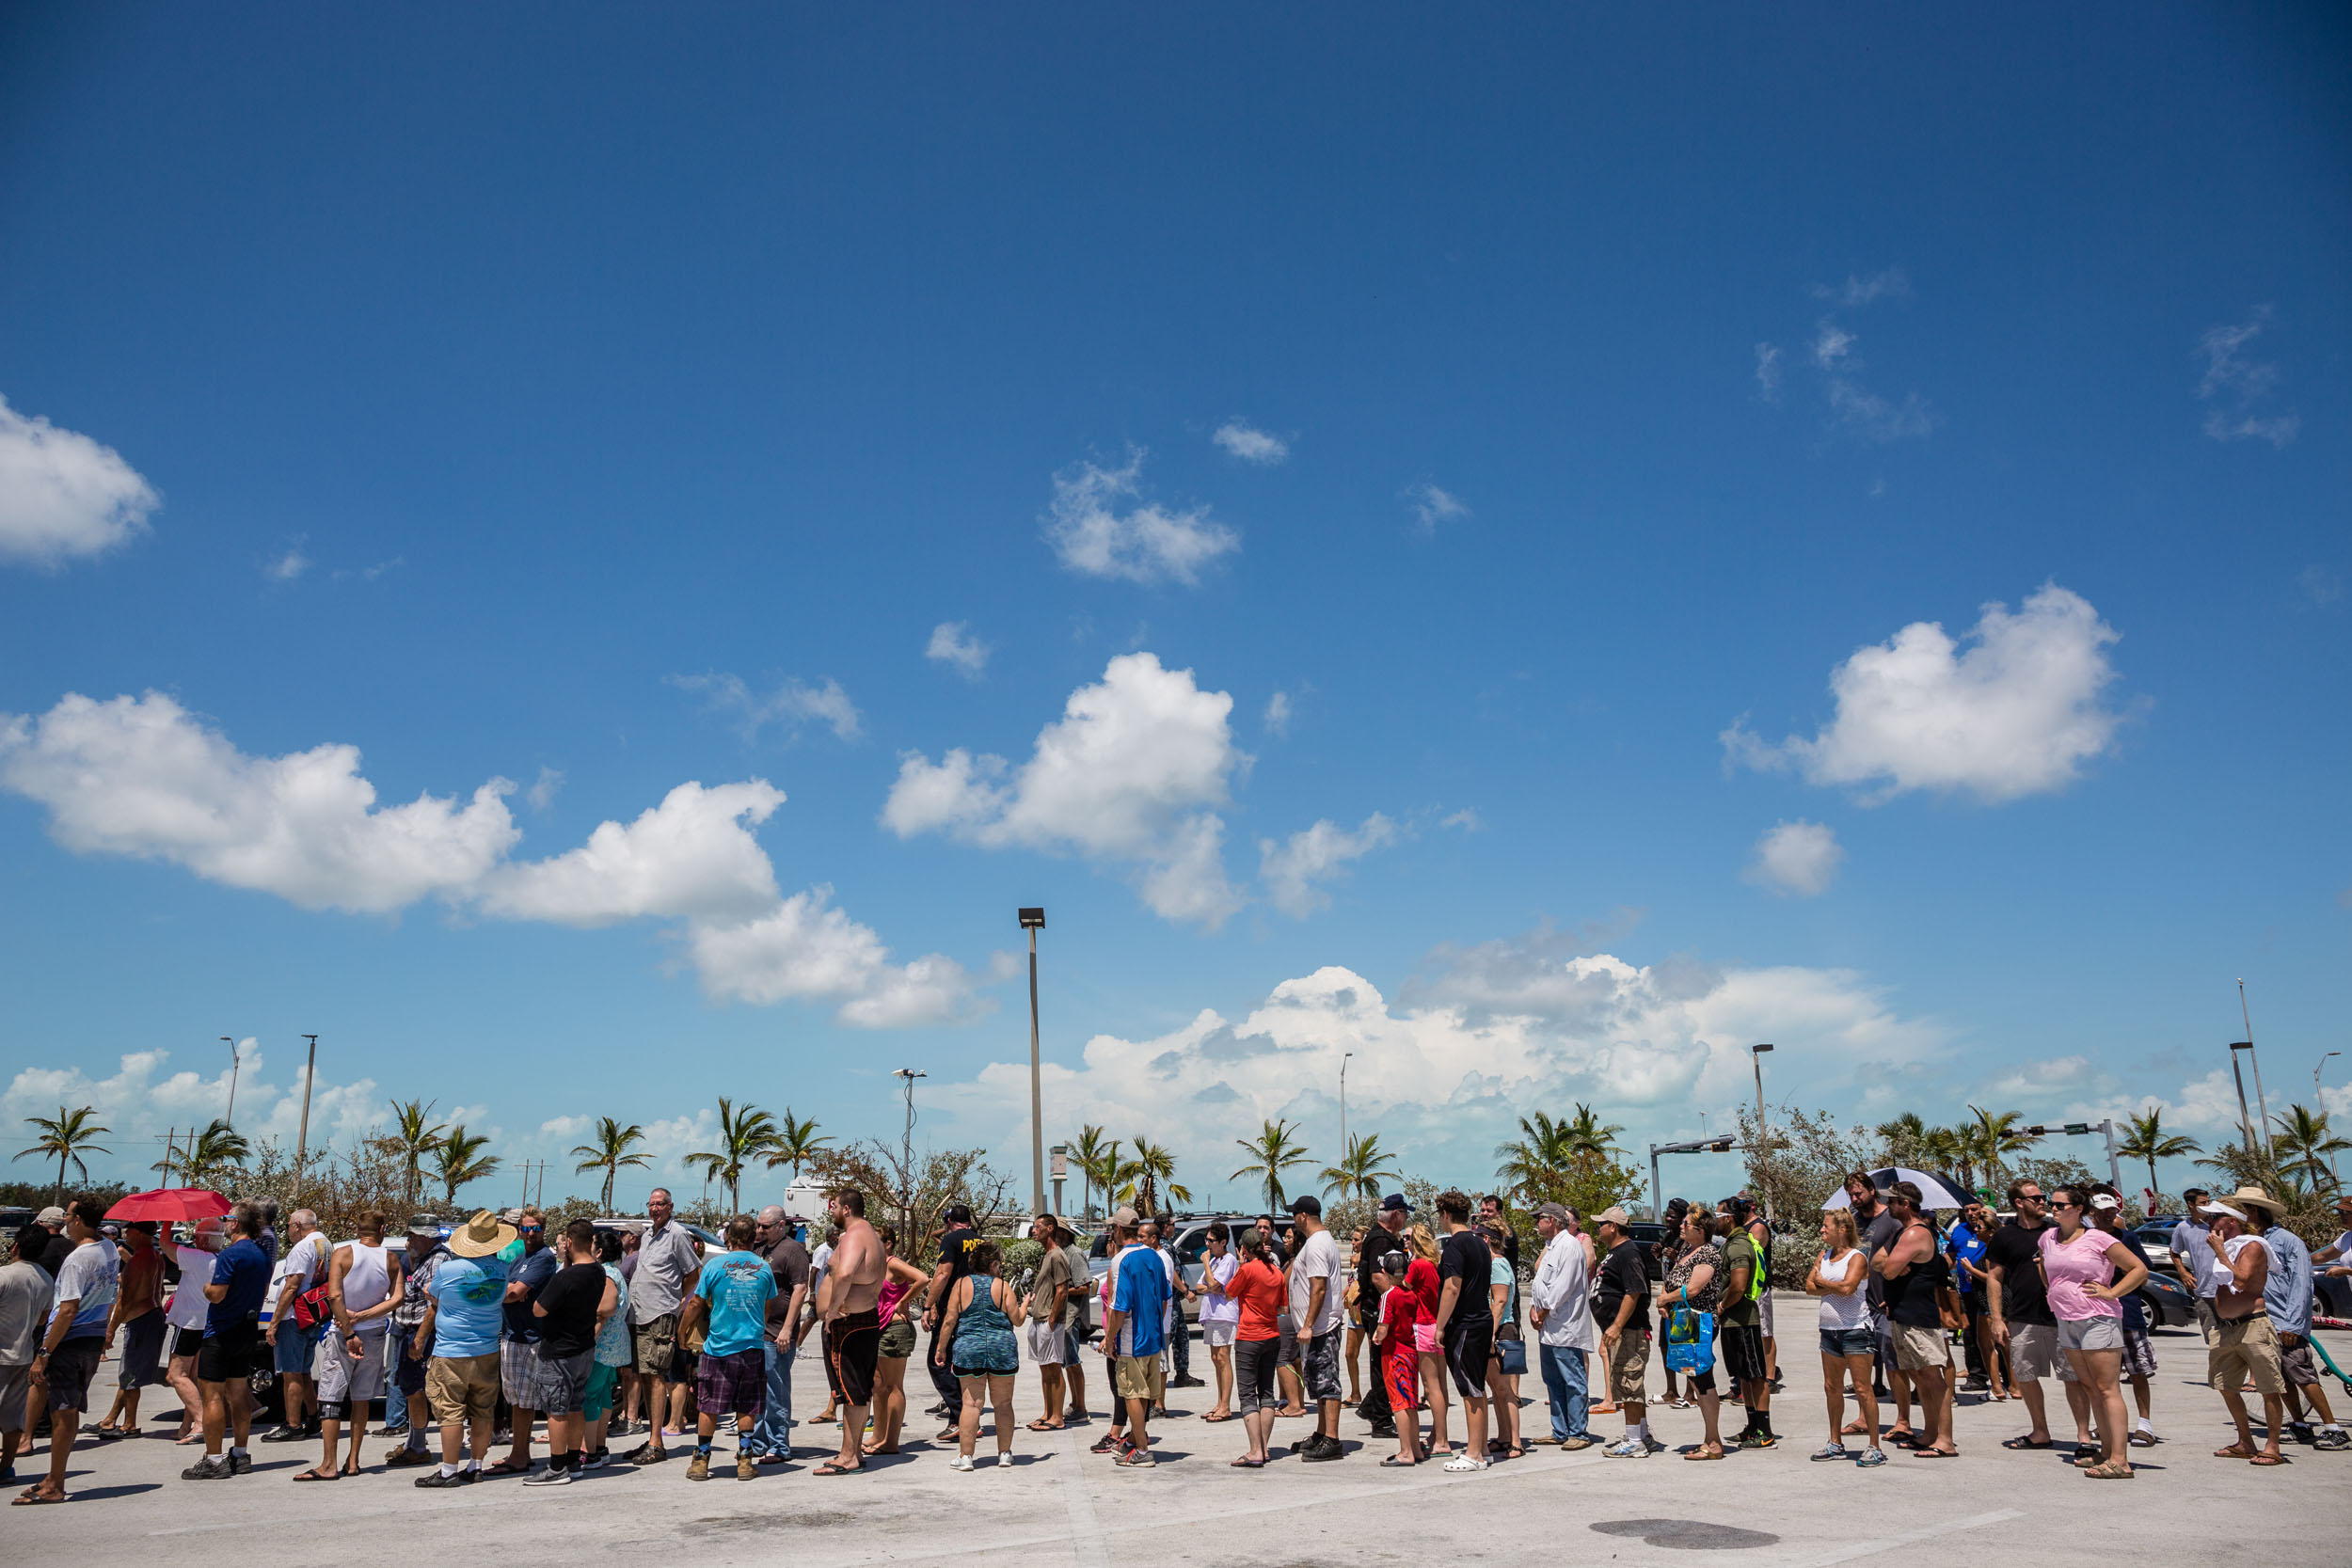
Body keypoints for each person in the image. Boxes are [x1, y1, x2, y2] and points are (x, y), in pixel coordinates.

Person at [2036, 1184, 2144, 1479]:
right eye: (2052, 1204)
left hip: (2098, 1318)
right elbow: (2046, 1269)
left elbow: (2138, 1269)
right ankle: (2106, 1451)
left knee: (2108, 1388)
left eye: (2060, 1205)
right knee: (2091, 1388)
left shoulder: (2097, 1238)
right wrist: (2053, 1290)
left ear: (2079, 1209)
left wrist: (2112, 1293)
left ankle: (2121, 1460)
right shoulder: (2048, 1238)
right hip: (2066, 1319)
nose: (2053, 1208)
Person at [17, 1198, 117, 1505]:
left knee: (61, 1412)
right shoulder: (109, 1249)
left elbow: (68, 1309)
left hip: (69, 1341)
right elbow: (111, 1293)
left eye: (69, 1215)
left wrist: (44, 1353)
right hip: (91, 1338)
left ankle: (55, 1484)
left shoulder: (77, 1259)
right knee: (69, 1410)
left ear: (78, 1221)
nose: (65, 1220)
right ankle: (53, 1477)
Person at [2235, 1185, 2346, 1450]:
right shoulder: (2250, 1242)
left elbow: (2301, 1284)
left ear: (2254, 1212)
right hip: (2265, 1321)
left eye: (2242, 1210)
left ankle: (2334, 1429)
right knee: (2282, 1377)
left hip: (2287, 1323)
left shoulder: (2287, 1241)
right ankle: (2299, 1424)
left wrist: (2293, 1324)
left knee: (2303, 1375)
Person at [298, 1208, 405, 1481]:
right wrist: (366, 1315)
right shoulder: (391, 1259)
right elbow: (397, 1299)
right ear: (382, 1230)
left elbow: (334, 1295)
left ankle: (329, 1464)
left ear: (357, 1230)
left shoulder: (343, 1253)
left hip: (343, 1334)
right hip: (375, 1333)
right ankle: (354, 1460)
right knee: (362, 1398)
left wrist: (348, 1329)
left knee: (331, 1399)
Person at [414, 1208, 516, 1488]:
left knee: (450, 1411)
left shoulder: (449, 1269)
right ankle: (476, 1465)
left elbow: (432, 1296)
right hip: (487, 1350)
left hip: (451, 1352)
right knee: (483, 1410)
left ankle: (448, 1471)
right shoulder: (502, 1269)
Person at [522, 1219, 618, 1486]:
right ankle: (574, 1460)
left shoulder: (565, 1277)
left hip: (558, 1350)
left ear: (570, 1243)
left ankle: (556, 1467)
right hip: (584, 1346)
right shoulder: (599, 1272)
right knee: (576, 1405)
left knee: (556, 1410)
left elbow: (539, 1309)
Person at [676, 1214, 773, 1481]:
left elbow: (696, 1303)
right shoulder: (764, 1268)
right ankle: (744, 1460)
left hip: (718, 1348)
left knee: (708, 1405)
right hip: (752, 1347)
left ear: (728, 1237)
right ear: (754, 1237)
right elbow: (766, 1306)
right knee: (747, 1405)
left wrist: (682, 1331)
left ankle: (701, 1460)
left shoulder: (714, 1266)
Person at [183, 1200, 271, 1481]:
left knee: (212, 1396)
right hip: (247, 1329)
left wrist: (207, 1288)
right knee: (239, 1392)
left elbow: (217, 1294)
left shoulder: (230, 1255)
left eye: (227, 1218)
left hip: (221, 1332)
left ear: (235, 1223)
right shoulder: (261, 1255)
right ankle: (240, 1454)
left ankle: (213, 1459)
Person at [1874, 1181, 1960, 1460]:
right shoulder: (1903, 1233)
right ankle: (1930, 1433)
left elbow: (1886, 1270)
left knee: (1933, 1379)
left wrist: (1894, 1268)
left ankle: (1945, 1440)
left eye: (1893, 1202)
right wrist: (1895, 1270)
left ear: (1905, 1204)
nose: (1888, 1207)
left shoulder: (1914, 1234)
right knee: (1920, 1379)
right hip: (1903, 1314)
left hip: (1918, 1317)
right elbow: (1879, 1262)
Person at [2200, 1198, 2287, 1466]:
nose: (2209, 1222)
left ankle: (2273, 1446)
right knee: (2226, 1386)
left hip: (2253, 1325)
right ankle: (2245, 1441)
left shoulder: (2252, 1246)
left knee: (2268, 1388)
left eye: (2215, 1217)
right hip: (2227, 1328)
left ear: (2232, 1221)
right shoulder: (2230, 1246)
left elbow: (2242, 1280)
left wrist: (2220, 1252)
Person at [624, 1188, 702, 1465]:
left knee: (657, 1376)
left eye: (660, 1204)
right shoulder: (647, 1235)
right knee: (645, 1375)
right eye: (651, 1204)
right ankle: (652, 1435)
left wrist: (677, 1301)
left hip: (660, 1315)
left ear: (670, 1206)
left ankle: (657, 1442)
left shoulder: (677, 1234)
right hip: (639, 1314)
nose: (655, 1208)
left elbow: (693, 1273)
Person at [1985, 1179, 2059, 1451]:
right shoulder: (2005, 1236)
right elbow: (1994, 1277)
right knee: (2026, 1376)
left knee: (2075, 1379)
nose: (2043, 1202)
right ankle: (2040, 1431)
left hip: (2061, 1316)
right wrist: (1997, 1318)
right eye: (2036, 1198)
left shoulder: (2056, 1231)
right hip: (2022, 1316)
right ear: (2018, 1203)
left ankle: (2084, 1436)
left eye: (2043, 1197)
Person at [1804, 1207, 1883, 1465]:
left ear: (1842, 1229)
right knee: (1832, 1387)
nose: (1821, 1230)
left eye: (1826, 1226)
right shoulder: (1824, 1255)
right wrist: (1828, 1287)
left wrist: (1824, 1284)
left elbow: (1849, 1288)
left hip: (1856, 1329)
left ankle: (1874, 1446)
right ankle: (1835, 1442)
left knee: (1863, 1388)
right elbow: (1808, 1287)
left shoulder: (1857, 1257)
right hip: (1829, 1330)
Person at [815, 1188, 883, 1477]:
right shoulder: (871, 1234)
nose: (831, 1213)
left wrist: (830, 1311)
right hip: (862, 1320)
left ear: (845, 1209)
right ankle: (852, 1450)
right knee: (859, 1392)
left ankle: (847, 1456)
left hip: (849, 1325)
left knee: (851, 1392)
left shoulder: (855, 1234)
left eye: (834, 1208)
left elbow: (844, 1273)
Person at [936, 1237, 1020, 1470]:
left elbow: (949, 1320)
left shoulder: (961, 1285)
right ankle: (1004, 1454)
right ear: (993, 1265)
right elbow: (1018, 1320)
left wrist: (941, 1348)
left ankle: (966, 1457)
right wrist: (1026, 1304)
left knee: (971, 1405)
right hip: (1001, 1349)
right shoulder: (1003, 1286)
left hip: (969, 1349)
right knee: (1003, 1404)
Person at [2087, 1194, 2161, 1448]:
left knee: (2138, 1372)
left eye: (2113, 1209)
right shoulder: (2084, 1240)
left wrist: (2116, 1291)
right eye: (2103, 1210)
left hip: (2128, 1314)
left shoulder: (2127, 1238)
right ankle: (2106, 1423)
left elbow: (2143, 1273)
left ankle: (2145, 1425)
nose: (2109, 1214)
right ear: (2091, 1213)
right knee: (2103, 1377)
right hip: (2096, 1316)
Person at [1429, 1189, 1494, 1472]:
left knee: (1469, 1389)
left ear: (1445, 1215)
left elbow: (1452, 1287)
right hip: (1482, 1319)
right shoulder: (1480, 1243)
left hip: (1465, 1323)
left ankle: (1473, 1454)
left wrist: (1440, 1326)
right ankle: (1483, 1449)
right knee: (1478, 1387)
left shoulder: (1456, 1245)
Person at [743, 1205, 812, 1465]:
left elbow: (800, 1289)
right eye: (758, 1225)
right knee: (758, 1391)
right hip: (756, 1333)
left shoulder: (792, 1250)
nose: (759, 1230)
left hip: (777, 1334)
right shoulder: (760, 1249)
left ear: (781, 1225)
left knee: (776, 1391)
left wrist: (786, 1329)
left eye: (765, 1227)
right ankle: (759, 1442)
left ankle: (780, 1446)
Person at [1103, 1210, 1170, 1466]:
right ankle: (1136, 1439)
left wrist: (1110, 1340)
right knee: (1144, 1394)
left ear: (1119, 1230)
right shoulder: (1154, 1256)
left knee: (1130, 1392)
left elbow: (1119, 1307)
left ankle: (1142, 1450)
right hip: (1153, 1337)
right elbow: (1164, 1299)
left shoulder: (1121, 1260)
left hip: (1132, 1339)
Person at [1659, 1208, 1726, 1460]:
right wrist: (1664, 1299)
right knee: (1696, 1379)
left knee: (1703, 1378)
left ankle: (1714, 1442)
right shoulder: (1687, 1251)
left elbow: (1694, 1288)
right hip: (1682, 1321)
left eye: (1687, 1224)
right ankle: (1709, 1439)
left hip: (1700, 1321)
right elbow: (1674, 1281)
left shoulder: (1708, 1253)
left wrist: (1666, 1297)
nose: (1682, 1226)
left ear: (1700, 1230)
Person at [1843, 1175, 1908, 1439]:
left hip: (1885, 1302)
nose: (1855, 1199)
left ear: (1873, 1191)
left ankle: (1903, 1420)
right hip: (1859, 1303)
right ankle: (1863, 1417)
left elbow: (1904, 1260)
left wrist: (1896, 1296)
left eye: (1858, 1194)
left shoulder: (1892, 1220)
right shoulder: (1854, 1222)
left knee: (1894, 1364)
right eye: (1851, 1195)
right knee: (1861, 1364)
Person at [1286, 1194, 1348, 1461]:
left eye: (1294, 1215)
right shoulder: (1317, 1242)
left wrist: (1308, 1324)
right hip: (1317, 1326)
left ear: (1303, 1217)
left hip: (1322, 1326)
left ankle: (1332, 1439)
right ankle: (1322, 1432)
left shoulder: (1317, 1245)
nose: (1293, 1221)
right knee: (1319, 1383)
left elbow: (1319, 1287)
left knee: (1327, 1382)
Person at [1529, 1202, 1595, 1449]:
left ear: (1553, 1221)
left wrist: (1543, 1311)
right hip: (1549, 1328)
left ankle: (1578, 1432)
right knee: (1552, 1380)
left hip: (1565, 1327)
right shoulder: (1551, 1247)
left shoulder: (1569, 1246)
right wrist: (1533, 1310)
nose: (1537, 1224)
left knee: (1572, 1380)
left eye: (1540, 1219)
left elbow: (1562, 1288)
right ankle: (1560, 1430)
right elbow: (1540, 1285)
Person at [1593, 1206, 1657, 1458]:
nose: (1598, 1228)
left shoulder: (1628, 1252)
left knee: (1629, 1384)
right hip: (1622, 1332)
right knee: (1629, 1385)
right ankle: (1642, 1435)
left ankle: (1634, 1441)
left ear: (1613, 1227)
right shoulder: (1616, 1252)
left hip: (1630, 1331)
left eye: (1602, 1224)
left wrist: (1617, 1324)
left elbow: (1634, 1291)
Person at [861, 1223, 930, 1456]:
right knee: (878, 1386)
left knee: (893, 1386)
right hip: (879, 1329)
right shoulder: (876, 1266)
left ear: (888, 1244)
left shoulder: (893, 1263)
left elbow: (922, 1278)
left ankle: (891, 1442)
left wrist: (902, 1302)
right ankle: (878, 1435)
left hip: (895, 1329)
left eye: (876, 1240)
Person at [382, 1216, 444, 1468]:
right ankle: (413, 1442)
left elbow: (434, 1303)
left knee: (416, 1389)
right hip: (409, 1329)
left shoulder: (438, 1259)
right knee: (409, 1387)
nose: (409, 1240)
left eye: (413, 1236)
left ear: (426, 1236)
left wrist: (419, 1339)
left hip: (421, 1332)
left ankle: (418, 1446)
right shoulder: (423, 1258)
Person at [262, 1209, 328, 1443]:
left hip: (294, 1317)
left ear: (298, 1225)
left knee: (290, 1373)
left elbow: (292, 1285)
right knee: (303, 1372)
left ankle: (292, 1424)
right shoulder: (324, 1243)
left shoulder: (302, 1248)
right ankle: (312, 1417)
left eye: (289, 1225)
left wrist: (274, 1322)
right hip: (311, 1315)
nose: (288, 1230)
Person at [95, 1221, 165, 1439]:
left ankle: (130, 1424)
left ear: (137, 1233)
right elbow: (160, 1291)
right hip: (154, 1316)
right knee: (130, 1372)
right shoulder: (157, 1257)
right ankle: (111, 1419)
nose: (126, 1235)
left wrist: (110, 1329)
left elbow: (125, 1300)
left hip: (141, 1319)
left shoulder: (137, 1261)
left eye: (129, 1231)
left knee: (131, 1375)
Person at [1223, 1227, 1286, 1467]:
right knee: (1267, 1392)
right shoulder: (1277, 1272)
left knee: (1248, 1394)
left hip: (1249, 1336)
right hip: (1272, 1335)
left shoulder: (1247, 1269)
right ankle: (1265, 1447)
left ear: (1244, 1249)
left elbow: (1229, 1293)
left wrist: (1241, 1264)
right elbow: (1282, 1307)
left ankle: (1255, 1451)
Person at [921, 1202, 984, 1441]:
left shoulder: (951, 1240)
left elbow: (943, 1274)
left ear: (949, 1222)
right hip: (978, 1311)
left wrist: (928, 1305)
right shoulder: (981, 1241)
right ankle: (963, 1418)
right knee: (962, 1368)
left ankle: (962, 1418)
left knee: (938, 1361)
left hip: (955, 1311)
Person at [1717, 1196, 1776, 1449]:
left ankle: (1765, 1431)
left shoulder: (1739, 1246)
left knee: (1756, 1376)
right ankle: (1751, 1427)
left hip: (1743, 1320)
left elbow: (1738, 1286)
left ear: (1728, 1219)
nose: (1715, 1220)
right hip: (1733, 1322)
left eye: (1718, 1216)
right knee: (1743, 1375)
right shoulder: (1732, 1243)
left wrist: (1720, 1306)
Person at [1354, 1194, 1413, 1438]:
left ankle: (1371, 1407)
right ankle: (1381, 1419)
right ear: (1396, 1214)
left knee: (1384, 1362)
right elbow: (1379, 1277)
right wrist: (1398, 1302)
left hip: (1379, 1308)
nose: (1406, 1218)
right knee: (1383, 1364)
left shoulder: (1386, 1238)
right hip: (1378, 1310)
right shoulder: (1381, 1240)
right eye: (1405, 1213)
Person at [2, 1226, 56, 1488]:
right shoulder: (46, 1280)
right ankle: (5, 1468)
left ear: (15, 1247)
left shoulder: (5, 1275)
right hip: (23, 1355)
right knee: (12, 1418)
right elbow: (44, 1319)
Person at [158, 1219, 221, 1444]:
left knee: (175, 1375)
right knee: (192, 1377)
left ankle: (202, 1421)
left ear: (203, 1239)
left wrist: (166, 1220)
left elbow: (166, 1245)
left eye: (196, 1236)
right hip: (207, 1323)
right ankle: (187, 1426)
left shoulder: (196, 1257)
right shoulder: (219, 1259)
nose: (193, 1240)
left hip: (189, 1323)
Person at [581, 1228, 631, 1469]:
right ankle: (599, 1447)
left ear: (599, 1251)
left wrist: (591, 1334)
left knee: (589, 1396)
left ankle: (589, 1450)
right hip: (613, 1345)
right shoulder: (615, 1272)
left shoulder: (606, 1275)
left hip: (602, 1344)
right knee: (602, 1395)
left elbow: (605, 1308)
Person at [1021, 1212, 1076, 1430]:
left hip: (1049, 1321)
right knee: (1045, 1369)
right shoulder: (1046, 1255)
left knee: (1054, 1368)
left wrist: (1053, 1319)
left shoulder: (1057, 1256)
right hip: (1039, 1318)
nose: (1034, 1231)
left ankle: (1057, 1417)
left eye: (1038, 1227)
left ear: (1050, 1228)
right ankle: (1047, 1412)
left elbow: (1062, 1290)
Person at [1947, 1198, 2007, 1399]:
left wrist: (1972, 1270)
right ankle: (1977, 1376)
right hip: (1967, 1290)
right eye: (1966, 1210)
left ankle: (2007, 1380)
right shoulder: (1959, 1230)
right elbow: (1951, 1254)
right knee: (1971, 1335)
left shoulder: (1991, 1230)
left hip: (1990, 1291)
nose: (1971, 1213)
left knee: (1998, 1338)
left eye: (1974, 1209)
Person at [1372, 1249, 1421, 1465]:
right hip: (1411, 1351)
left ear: (1385, 1271)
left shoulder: (1388, 1296)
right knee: (1410, 1402)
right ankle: (1416, 1448)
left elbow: (1384, 1325)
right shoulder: (1411, 1294)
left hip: (1394, 1353)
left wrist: (1376, 1337)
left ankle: (1406, 1451)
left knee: (1399, 1403)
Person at [1481, 1221, 1525, 1460]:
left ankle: (1516, 1441)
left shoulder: (1497, 1264)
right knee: (1496, 1388)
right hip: (1499, 1329)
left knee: (1505, 1389)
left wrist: (1490, 1333)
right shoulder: (1498, 1263)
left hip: (1502, 1330)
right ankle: (1504, 1436)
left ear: (1487, 1240)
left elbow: (1499, 1301)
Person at [1406, 1226, 1448, 1454]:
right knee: (1439, 1385)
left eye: (1408, 1238)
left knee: (1431, 1386)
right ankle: (1440, 1434)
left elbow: (1404, 1290)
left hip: (1422, 1326)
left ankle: (1441, 1440)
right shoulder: (1434, 1264)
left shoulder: (1417, 1265)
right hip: (1436, 1326)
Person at [1197, 1222, 1241, 1422]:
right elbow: (1200, 1286)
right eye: (1206, 1240)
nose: (1207, 1244)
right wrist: (1210, 1285)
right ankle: (1220, 1401)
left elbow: (1215, 1285)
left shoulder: (1228, 1260)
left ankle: (1226, 1405)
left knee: (1223, 1357)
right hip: (1211, 1313)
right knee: (1215, 1359)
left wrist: (1206, 1264)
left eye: (1211, 1241)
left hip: (1224, 1314)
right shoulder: (1215, 1261)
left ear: (1223, 1242)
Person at [1055, 1220, 1093, 1422]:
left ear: (1065, 1233)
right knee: (1067, 1363)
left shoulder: (1075, 1254)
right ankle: (1074, 1403)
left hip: (1072, 1315)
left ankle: (1081, 1406)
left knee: (1073, 1362)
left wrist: (1061, 1292)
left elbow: (1086, 1287)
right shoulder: (1058, 1253)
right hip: (1061, 1316)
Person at [2171, 1189, 2221, 1344]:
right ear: (2190, 1205)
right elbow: (2174, 1251)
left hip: (2224, 1289)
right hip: (2203, 1291)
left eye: (2208, 1201)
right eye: (2203, 1203)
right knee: (2213, 1339)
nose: (2207, 1205)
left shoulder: (2217, 1224)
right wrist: (2183, 1272)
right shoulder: (2183, 1228)